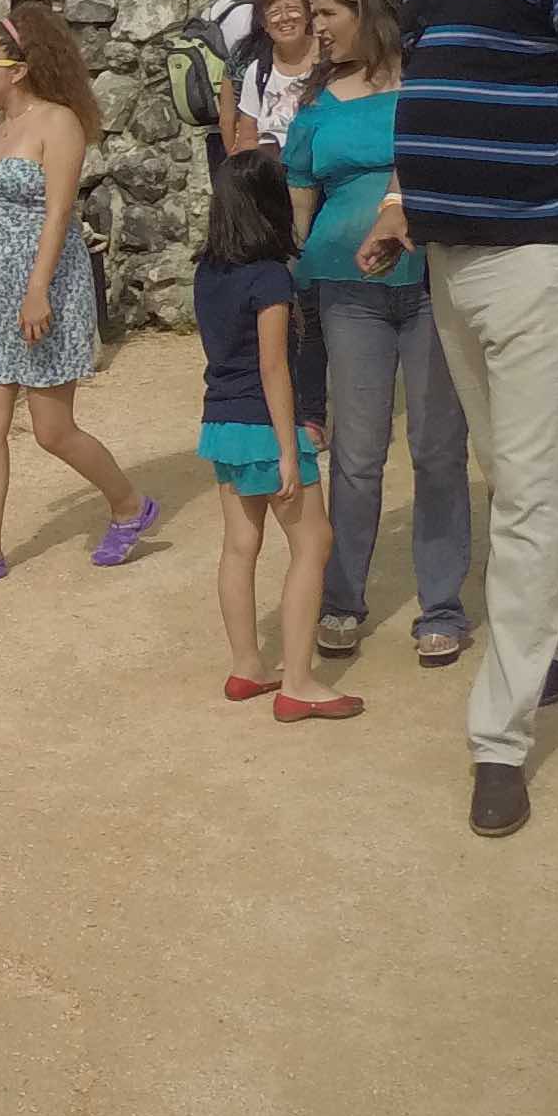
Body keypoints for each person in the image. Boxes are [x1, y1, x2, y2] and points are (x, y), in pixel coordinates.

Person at [354, 0, 558, 839]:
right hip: (448, 257)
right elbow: (432, 97)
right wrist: (402, 197)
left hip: (539, 255)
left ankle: (498, 738)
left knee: (528, 494)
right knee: (516, 474)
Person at [286, 0, 471, 667]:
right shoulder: (316, 106)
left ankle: (442, 605)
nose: (317, 26)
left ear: (367, 10)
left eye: (329, 12)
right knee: (358, 456)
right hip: (345, 293)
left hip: (430, 287)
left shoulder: (426, 82)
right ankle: (342, 600)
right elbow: (300, 205)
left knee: (437, 451)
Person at [0, 0, 154, 587]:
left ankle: (130, 504)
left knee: (53, 429)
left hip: (48, 279)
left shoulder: (59, 123)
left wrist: (39, 289)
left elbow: (57, 212)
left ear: (18, 70)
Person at [196, 149, 356, 718]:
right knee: (313, 543)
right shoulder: (268, 278)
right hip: (265, 427)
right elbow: (273, 366)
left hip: (221, 422)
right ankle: (300, 683)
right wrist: (291, 449)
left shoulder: (208, 270)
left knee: (239, 547)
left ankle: (247, 666)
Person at [222, 0, 318, 152]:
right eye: (274, 13)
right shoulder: (258, 72)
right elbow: (247, 138)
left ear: (307, 13)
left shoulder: (329, 61)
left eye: (292, 9)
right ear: (264, 24)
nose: (284, 18)